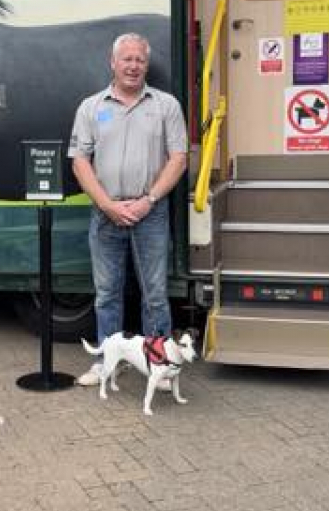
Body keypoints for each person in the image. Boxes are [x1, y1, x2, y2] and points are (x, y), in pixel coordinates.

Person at [67, 33, 188, 386]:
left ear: (146, 65)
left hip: (150, 211)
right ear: (113, 62)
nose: (133, 66)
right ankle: (107, 362)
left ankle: (160, 366)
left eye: (140, 60)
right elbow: (79, 161)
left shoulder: (166, 105)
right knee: (107, 294)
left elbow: (179, 159)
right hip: (105, 213)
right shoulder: (91, 107)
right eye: (127, 59)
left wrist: (148, 200)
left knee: (154, 294)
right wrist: (107, 205)